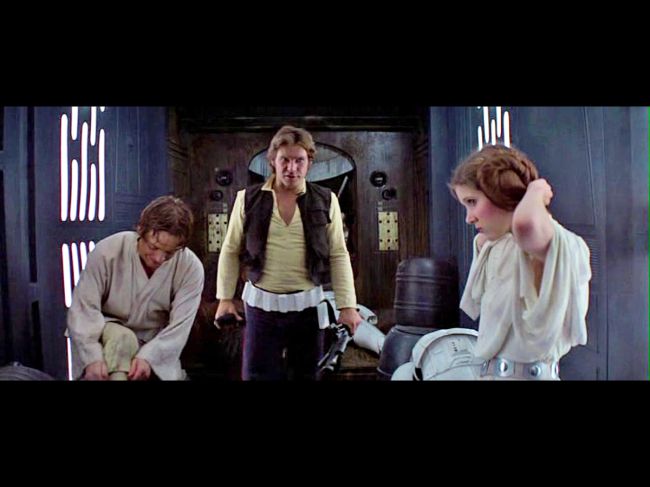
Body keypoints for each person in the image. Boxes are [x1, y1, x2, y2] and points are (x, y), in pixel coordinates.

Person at [215, 125, 362, 380]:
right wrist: (225, 299)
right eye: (285, 160)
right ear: (273, 160)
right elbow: (230, 250)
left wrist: (347, 305)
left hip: (308, 310)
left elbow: (338, 254)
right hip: (260, 309)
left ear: (309, 162)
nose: (291, 168)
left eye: (299, 160)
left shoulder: (327, 200)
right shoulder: (247, 199)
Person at [449, 144, 591, 380]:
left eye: (472, 202)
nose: (469, 218)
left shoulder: (553, 242)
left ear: (500, 191)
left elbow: (525, 224)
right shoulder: (497, 245)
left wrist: (536, 190)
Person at [66, 195, 204, 380]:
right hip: (103, 335)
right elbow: (84, 309)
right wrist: (92, 355)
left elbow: (180, 326)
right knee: (122, 339)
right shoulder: (107, 252)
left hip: (155, 344)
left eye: (169, 253)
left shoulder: (190, 268)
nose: (159, 258)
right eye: (153, 247)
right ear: (141, 230)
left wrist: (149, 357)